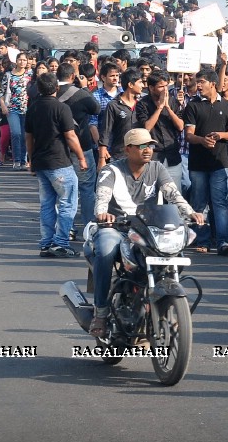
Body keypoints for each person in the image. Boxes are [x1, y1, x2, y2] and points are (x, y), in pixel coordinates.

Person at [86, 128, 203, 338]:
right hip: (116, 228)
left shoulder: (157, 168)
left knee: (175, 252)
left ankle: (157, 298)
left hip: (149, 230)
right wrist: (102, 214)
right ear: (128, 149)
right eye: (142, 146)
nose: (148, 150)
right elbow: (101, 198)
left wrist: (191, 212)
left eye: (150, 145)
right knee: (104, 251)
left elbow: (173, 195)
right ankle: (101, 313)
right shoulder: (111, 170)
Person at [24, 73, 88, 258]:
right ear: (56, 88)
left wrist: (31, 159)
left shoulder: (33, 108)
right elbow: (70, 136)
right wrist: (81, 157)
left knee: (47, 204)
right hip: (59, 162)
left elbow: (29, 137)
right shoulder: (62, 108)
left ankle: (46, 243)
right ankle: (60, 243)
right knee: (68, 203)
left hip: (41, 162)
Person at [184, 66, 228, 255]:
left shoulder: (227, 105)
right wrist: (202, 140)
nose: (198, 86)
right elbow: (188, 135)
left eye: (202, 82)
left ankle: (223, 241)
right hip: (198, 164)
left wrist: (220, 135)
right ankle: (203, 240)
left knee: (220, 203)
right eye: (197, 82)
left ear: (213, 84)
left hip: (219, 163)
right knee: (199, 204)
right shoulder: (192, 106)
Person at [56, 62, 101, 228]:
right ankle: (89, 225)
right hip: (81, 145)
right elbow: (96, 109)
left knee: (62, 190)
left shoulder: (48, 92)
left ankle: (65, 227)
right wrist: (84, 89)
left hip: (58, 148)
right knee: (87, 188)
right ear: (73, 77)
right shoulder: (80, 94)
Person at [99, 67, 143, 166]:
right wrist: (101, 158)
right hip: (119, 155)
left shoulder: (142, 104)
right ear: (130, 84)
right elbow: (105, 132)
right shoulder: (113, 105)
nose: (142, 85)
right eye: (140, 82)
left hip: (140, 154)